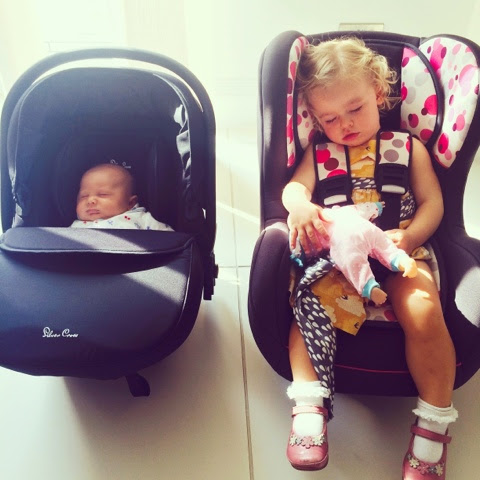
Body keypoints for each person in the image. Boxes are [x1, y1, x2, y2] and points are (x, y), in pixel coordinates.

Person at [282, 37, 457, 479]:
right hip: (338, 260)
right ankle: (308, 406)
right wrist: (299, 206)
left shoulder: (408, 147)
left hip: (398, 252)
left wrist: (410, 236)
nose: (344, 125)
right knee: (308, 307)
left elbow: (433, 203)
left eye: (355, 109)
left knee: (424, 308)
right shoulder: (320, 154)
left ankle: (433, 424)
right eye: (329, 118)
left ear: (379, 93)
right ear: (315, 119)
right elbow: (295, 188)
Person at [71, 163, 173, 231]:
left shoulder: (141, 219)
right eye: (83, 196)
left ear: (130, 203)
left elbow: (170, 240)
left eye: (103, 194)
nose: (90, 200)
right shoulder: (74, 228)